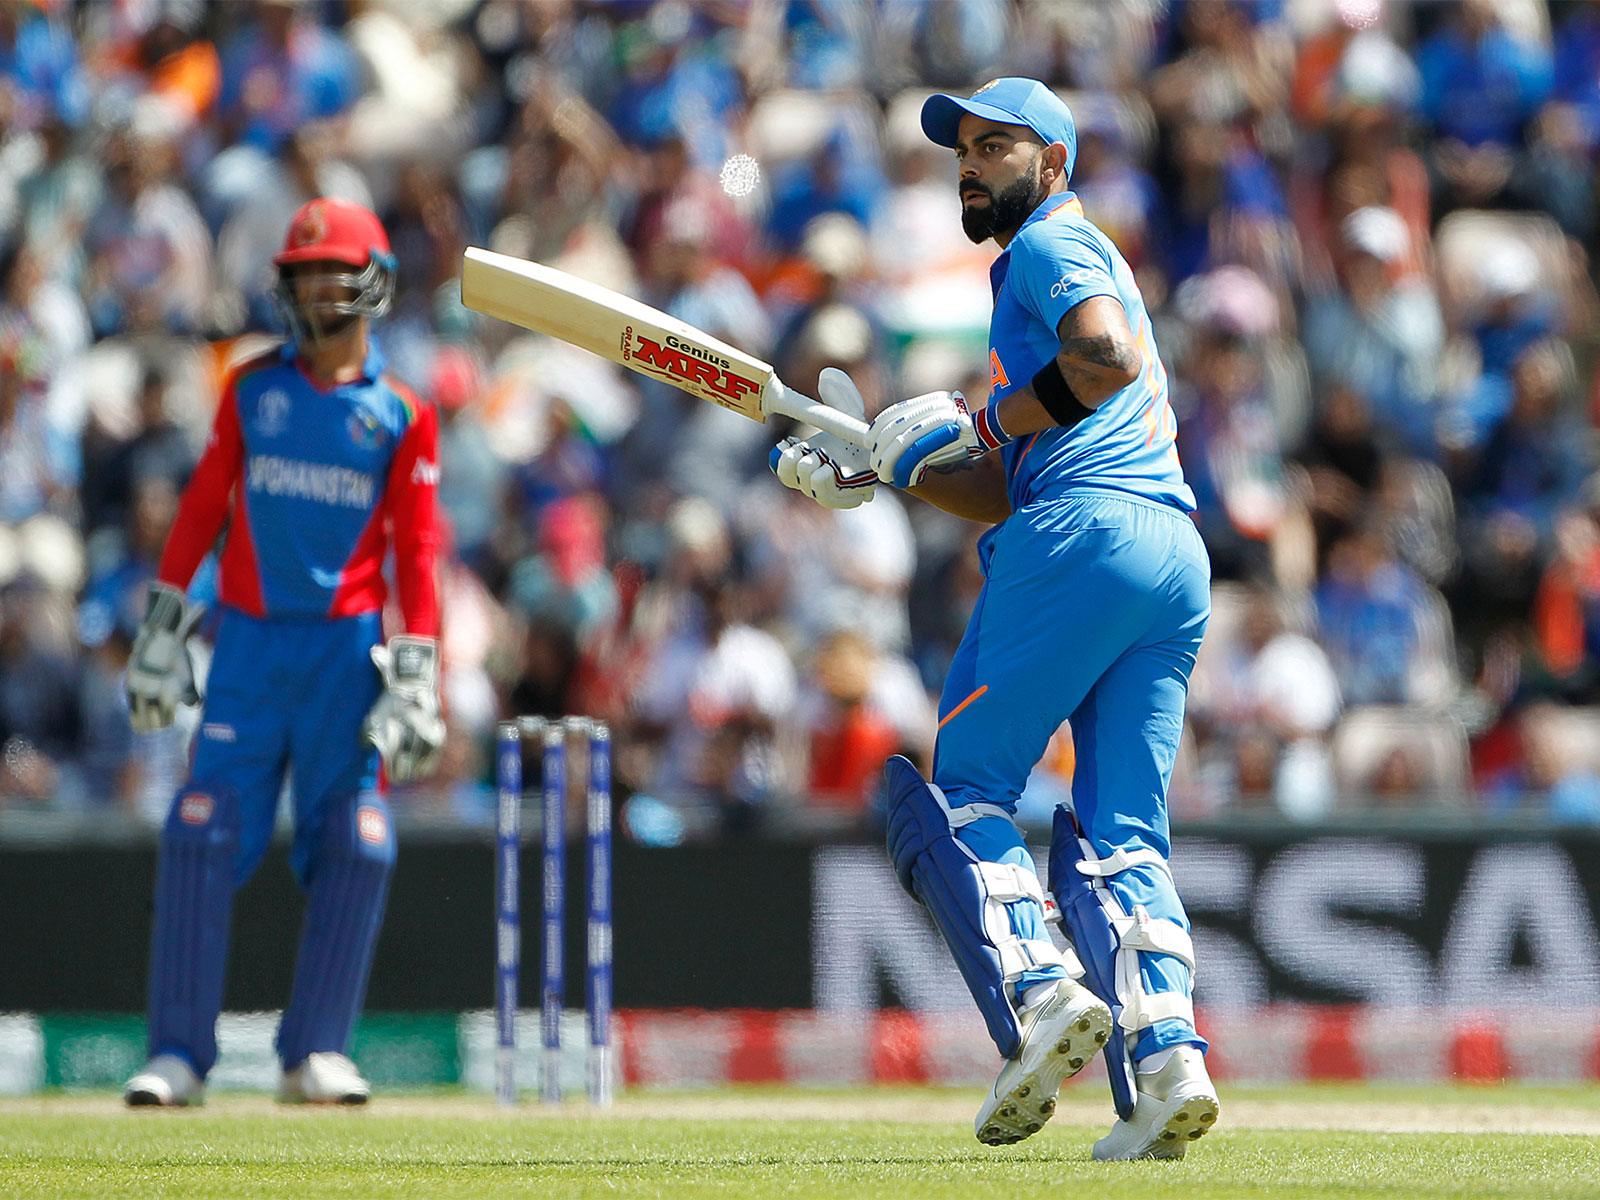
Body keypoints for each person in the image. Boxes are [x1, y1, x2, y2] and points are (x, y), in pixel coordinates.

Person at [773, 79, 1218, 1158]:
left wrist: (974, 418)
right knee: (1121, 829)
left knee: (966, 786)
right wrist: (895, 466)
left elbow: (1100, 362)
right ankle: (1165, 1062)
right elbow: (1011, 466)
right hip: (1169, 554)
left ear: (1052, 164)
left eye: (997, 146)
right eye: (964, 148)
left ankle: (1038, 991)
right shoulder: (1041, 268)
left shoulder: (1049, 250)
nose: (971, 163)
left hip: (1086, 537)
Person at [120, 197, 444, 1107]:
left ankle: (315, 1055)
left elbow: (417, 551)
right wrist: (163, 622)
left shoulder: (400, 413)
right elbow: (201, 511)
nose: (312, 292)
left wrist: (418, 664)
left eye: (328, 274)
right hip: (250, 649)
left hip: (347, 655)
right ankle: (179, 1054)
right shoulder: (251, 391)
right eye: (300, 276)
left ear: (369, 284)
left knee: (359, 839)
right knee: (199, 830)